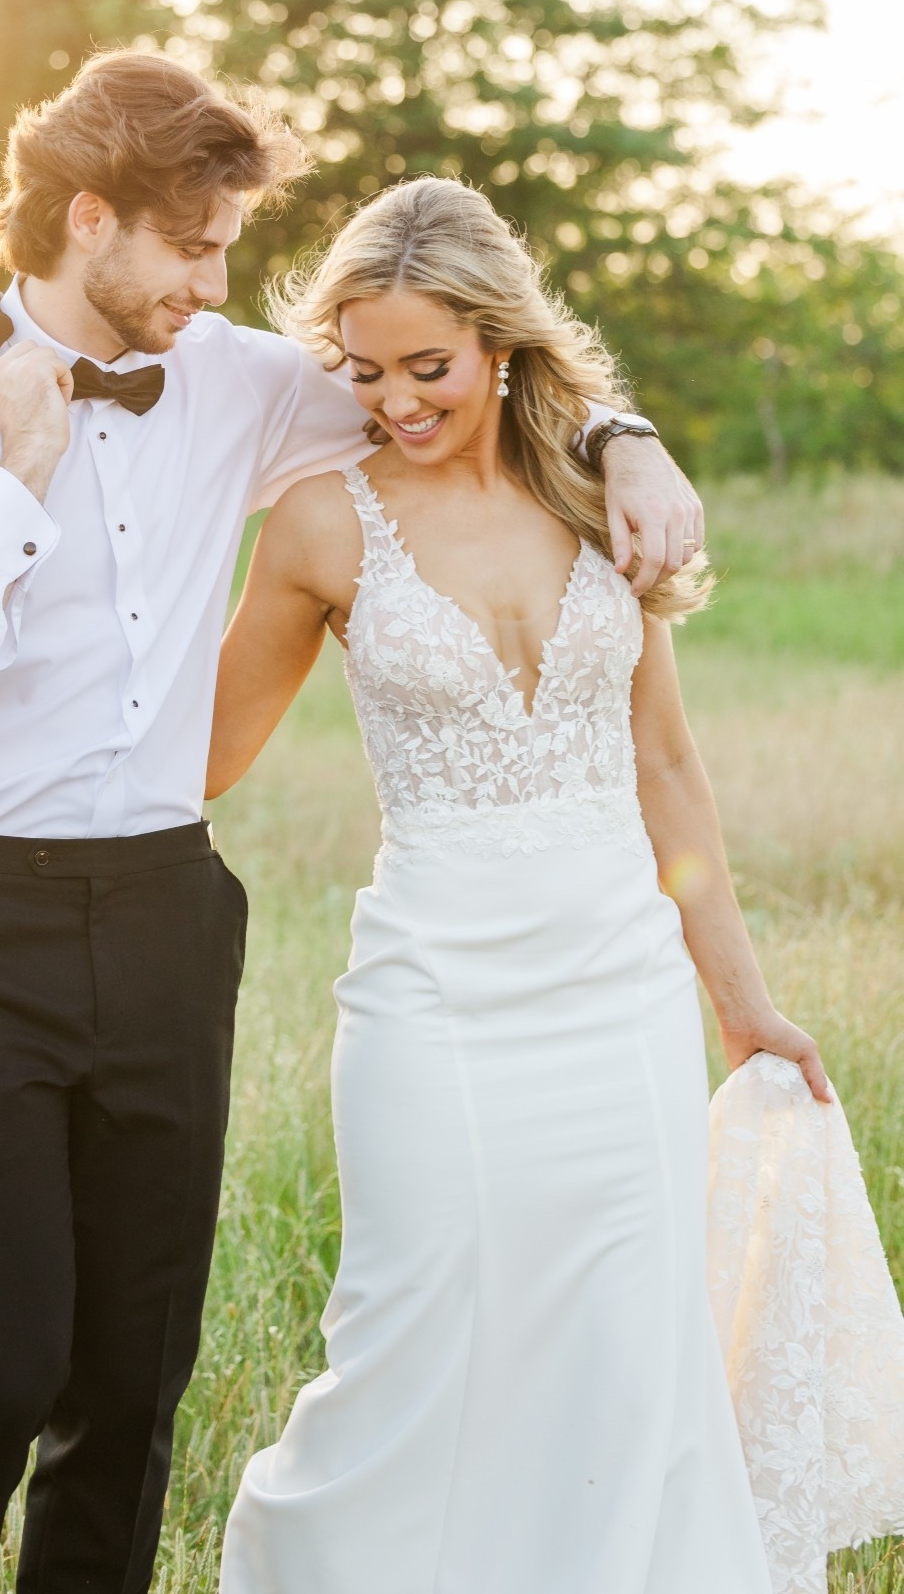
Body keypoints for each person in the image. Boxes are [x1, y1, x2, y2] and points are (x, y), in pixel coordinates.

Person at [0, 53, 697, 1594]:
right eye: (194, 244)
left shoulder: (226, 373)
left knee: (130, 1381)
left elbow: (457, 369)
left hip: (163, 904)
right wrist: (20, 471)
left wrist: (626, 435)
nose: (218, 282)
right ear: (89, 218)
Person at [209, 175, 841, 1594]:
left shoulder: (590, 491)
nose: (396, 401)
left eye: (426, 367)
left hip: (614, 990)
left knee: (624, 1343)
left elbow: (667, 773)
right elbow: (202, 756)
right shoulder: (321, 524)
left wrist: (740, 1008)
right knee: (411, 1322)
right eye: (361, 372)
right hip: (432, 989)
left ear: (497, 341)